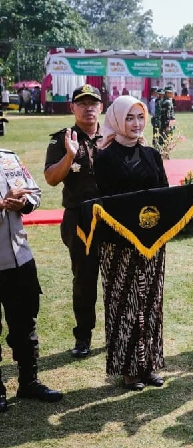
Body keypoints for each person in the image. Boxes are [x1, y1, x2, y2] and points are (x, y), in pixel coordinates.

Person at [92, 96, 169, 390]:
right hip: (119, 244)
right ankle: (128, 368)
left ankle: (149, 365)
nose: (136, 124)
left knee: (151, 302)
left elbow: (163, 193)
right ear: (116, 120)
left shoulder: (151, 154)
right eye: (129, 118)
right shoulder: (105, 157)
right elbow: (106, 201)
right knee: (124, 303)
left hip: (151, 243)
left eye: (140, 117)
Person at [0, 147, 63, 413]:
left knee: (25, 323)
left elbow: (34, 192)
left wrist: (23, 203)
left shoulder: (9, 158)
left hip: (19, 257)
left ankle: (29, 381)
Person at [44, 84, 103, 359]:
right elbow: (51, 179)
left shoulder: (113, 135)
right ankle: (83, 336)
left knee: (118, 277)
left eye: (93, 103)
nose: (88, 108)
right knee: (84, 279)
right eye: (82, 103)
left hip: (112, 216)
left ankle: (119, 332)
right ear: (72, 108)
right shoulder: (63, 139)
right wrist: (70, 155)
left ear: (101, 107)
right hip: (79, 218)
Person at [152, 85, 176, 155]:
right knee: (167, 138)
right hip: (168, 123)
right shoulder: (167, 102)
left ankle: (164, 153)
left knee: (165, 138)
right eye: (171, 92)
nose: (173, 94)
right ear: (167, 93)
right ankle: (165, 154)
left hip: (167, 123)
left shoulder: (165, 101)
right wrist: (167, 125)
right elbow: (167, 115)